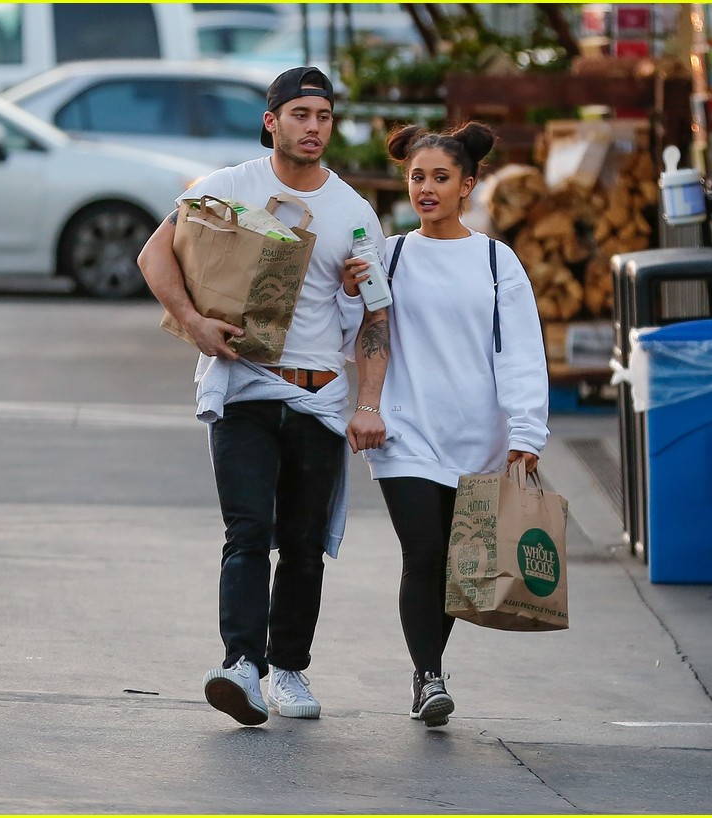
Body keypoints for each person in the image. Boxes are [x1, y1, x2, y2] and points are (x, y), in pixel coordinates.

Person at [136, 66, 389, 727]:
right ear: (272, 121)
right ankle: (240, 666)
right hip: (244, 387)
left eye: (324, 116)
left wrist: (368, 403)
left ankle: (289, 669)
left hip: (318, 397)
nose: (313, 127)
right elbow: (153, 255)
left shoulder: (354, 213)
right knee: (248, 532)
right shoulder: (225, 188)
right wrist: (192, 322)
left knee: (304, 544)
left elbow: (376, 318)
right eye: (300, 114)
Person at [348, 122, 549, 727]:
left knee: (456, 566)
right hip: (405, 432)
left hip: (478, 437)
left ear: (467, 185)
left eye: (440, 177)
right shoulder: (391, 255)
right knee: (424, 551)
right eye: (417, 177)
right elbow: (358, 331)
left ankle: (428, 672)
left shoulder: (495, 259)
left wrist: (526, 433)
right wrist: (349, 294)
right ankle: (429, 677)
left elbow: (520, 350)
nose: (427, 189)